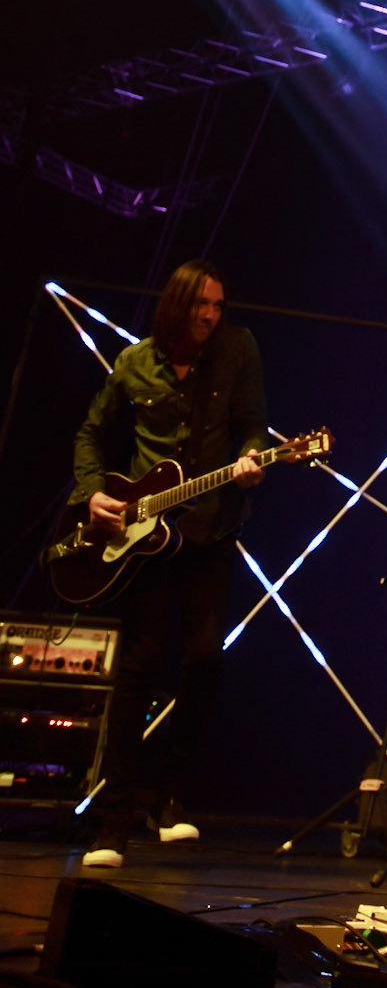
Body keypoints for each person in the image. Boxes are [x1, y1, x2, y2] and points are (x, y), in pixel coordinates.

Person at [73, 261, 268, 866]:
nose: (211, 315)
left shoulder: (238, 349)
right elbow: (90, 433)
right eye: (200, 305)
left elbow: (252, 428)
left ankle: (171, 800)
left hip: (210, 532)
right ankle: (114, 823)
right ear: (178, 305)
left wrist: (252, 457)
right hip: (143, 536)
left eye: (218, 305)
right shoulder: (135, 362)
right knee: (136, 667)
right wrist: (91, 494)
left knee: (205, 658)